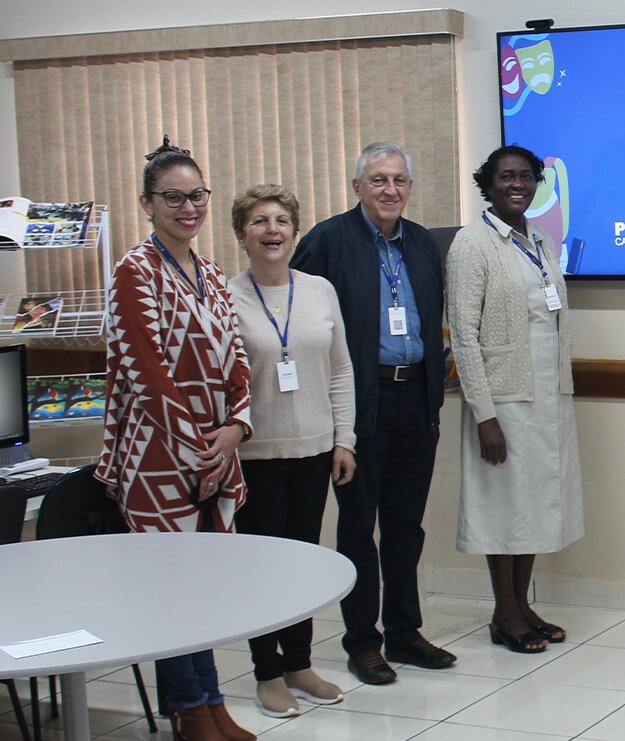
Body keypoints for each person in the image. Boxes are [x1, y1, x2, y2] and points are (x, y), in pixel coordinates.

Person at [94, 136, 256, 740]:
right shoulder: (133, 271)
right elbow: (144, 372)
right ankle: (189, 711)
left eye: (197, 196)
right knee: (172, 595)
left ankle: (212, 701)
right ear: (147, 203)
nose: (188, 208)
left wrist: (234, 430)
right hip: (156, 457)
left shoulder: (211, 272)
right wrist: (199, 448)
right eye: (173, 199)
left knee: (205, 592)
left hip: (213, 449)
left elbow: (237, 359)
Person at [291, 141, 454, 685]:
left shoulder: (423, 245)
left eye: (400, 181)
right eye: (379, 180)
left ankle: (406, 633)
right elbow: (297, 319)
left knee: (406, 527)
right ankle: (363, 641)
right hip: (361, 407)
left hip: (416, 402)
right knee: (359, 529)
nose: (391, 191)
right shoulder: (327, 242)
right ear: (357, 186)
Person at [445, 145, 584, 654]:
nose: (518, 184)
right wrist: (485, 416)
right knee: (503, 507)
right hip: (502, 401)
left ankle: (522, 605)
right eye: (507, 176)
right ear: (489, 183)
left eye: (526, 176)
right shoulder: (472, 244)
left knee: (532, 507)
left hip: (546, 397)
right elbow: (463, 334)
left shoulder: (542, 240)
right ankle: (504, 614)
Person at [230, 184, 355, 716]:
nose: (271, 230)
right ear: (242, 234)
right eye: (259, 221)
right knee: (264, 568)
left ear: (295, 231)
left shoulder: (320, 290)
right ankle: (267, 671)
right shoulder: (224, 296)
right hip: (256, 455)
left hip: (313, 450)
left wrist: (343, 439)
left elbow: (341, 369)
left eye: (281, 220)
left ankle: (300, 662)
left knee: (303, 561)